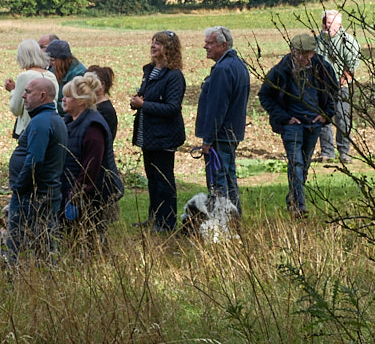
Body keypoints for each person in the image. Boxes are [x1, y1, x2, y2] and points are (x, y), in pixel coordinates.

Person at [260, 32, 339, 217]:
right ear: (292, 51)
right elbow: (265, 95)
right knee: (295, 163)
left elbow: (334, 93)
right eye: (299, 53)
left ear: (313, 52)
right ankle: (298, 207)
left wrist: (325, 116)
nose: (303, 58)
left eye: (307, 53)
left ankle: (293, 199)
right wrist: (285, 118)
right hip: (291, 125)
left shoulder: (323, 68)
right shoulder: (281, 70)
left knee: (303, 164)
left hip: (313, 124)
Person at [7, 75, 70, 258]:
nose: (23, 96)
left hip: (33, 195)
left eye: (28, 92)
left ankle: (22, 279)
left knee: (21, 244)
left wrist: (20, 187)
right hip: (43, 192)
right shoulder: (52, 118)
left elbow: (34, 160)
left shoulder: (41, 123)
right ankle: (42, 278)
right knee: (43, 241)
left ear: (42, 96)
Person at [130, 31, 186, 232]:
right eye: (153, 42)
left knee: (164, 181)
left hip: (165, 137)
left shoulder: (174, 76)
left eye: (159, 43)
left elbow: (172, 108)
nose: (153, 46)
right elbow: (148, 100)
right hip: (149, 136)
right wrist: (138, 102)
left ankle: (167, 223)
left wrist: (144, 104)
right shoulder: (150, 71)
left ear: (168, 48)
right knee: (153, 180)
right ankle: (154, 218)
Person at [194, 27, 251, 214]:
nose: (205, 46)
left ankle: (223, 222)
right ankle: (235, 218)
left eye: (209, 43)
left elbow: (217, 109)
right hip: (231, 133)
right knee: (228, 178)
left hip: (221, 136)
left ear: (223, 45)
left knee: (219, 182)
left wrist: (207, 140)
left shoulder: (223, 70)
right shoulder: (239, 65)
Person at [59, 74, 116, 238]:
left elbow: (91, 168)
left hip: (87, 198)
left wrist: (76, 194)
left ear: (81, 101)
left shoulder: (93, 127)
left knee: (86, 241)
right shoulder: (69, 121)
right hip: (70, 192)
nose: (63, 99)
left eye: (68, 96)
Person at [315, 9, 361, 163]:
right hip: (321, 86)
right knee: (323, 118)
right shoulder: (317, 41)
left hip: (342, 85)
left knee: (343, 118)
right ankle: (327, 152)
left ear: (338, 24)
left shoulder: (348, 41)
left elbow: (351, 66)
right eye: (324, 22)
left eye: (329, 23)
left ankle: (344, 152)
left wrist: (341, 82)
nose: (325, 26)